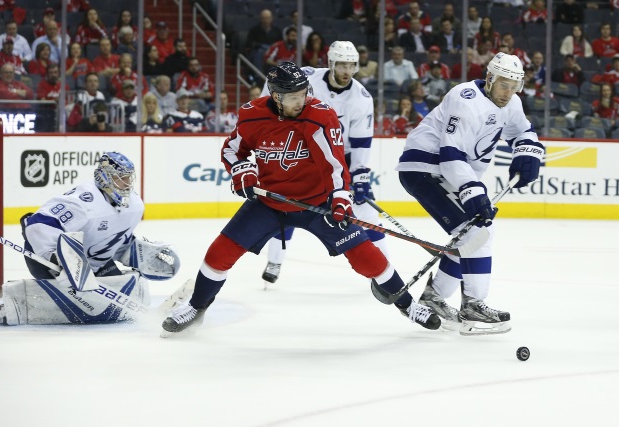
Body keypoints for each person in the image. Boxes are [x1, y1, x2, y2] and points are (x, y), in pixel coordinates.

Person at [160, 62, 441, 336]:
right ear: (276, 96)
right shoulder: (252, 114)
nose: (303, 100)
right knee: (218, 254)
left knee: (369, 260)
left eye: (304, 92)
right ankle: (196, 306)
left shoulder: (319, 115)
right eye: (294, 97)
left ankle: (408, 305)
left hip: (317, 204)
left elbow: (334, 164)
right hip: (269, 204)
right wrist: (242, 171)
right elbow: (234, 150)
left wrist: (340, 199)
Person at [396, 53, 544, 335]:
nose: (508, 92)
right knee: (477, 231)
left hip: (453, 171)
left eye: (515, 86)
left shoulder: (511, 102)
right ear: (489, 78)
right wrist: (470, 189)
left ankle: (435, 298)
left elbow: (524, 131)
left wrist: (528, 153)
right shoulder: (465, 98)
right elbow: (450, 154)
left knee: (471, 235)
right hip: (425, 167)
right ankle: (473, 304)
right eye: (503, 85)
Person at [0, 152, 180, 325]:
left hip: (91, 264)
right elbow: (37, 225)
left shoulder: (135, 206)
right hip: (45, 257)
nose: (126, 184)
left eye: (128, 178)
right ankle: (19, 302)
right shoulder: (83, 201)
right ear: (105, 177)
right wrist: (58, 260)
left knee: (117, 302)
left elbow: (113, 242)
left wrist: (133, 253)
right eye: (119, 178)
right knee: (85, 300)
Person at [259, 42, 389, 285]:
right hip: (303, 155)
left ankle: (385, 269)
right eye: (341, 64)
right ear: (330, 63)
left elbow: (360, 143)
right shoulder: (307, 79)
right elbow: (269, 93)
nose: (346, 71)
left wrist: (360, 176)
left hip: (339, 159)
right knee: (286, 207)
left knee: (367, 212)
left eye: (351, 65)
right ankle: (275, 261)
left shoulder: (361, 98)